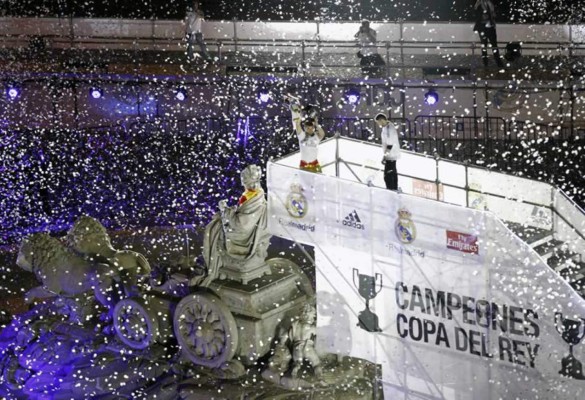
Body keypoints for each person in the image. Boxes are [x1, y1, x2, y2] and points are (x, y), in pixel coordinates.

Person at [290, 99, 325, 173]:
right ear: (305, 128)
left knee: (318, 183)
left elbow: (322, 134)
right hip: (304, 166)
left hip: (315, 165)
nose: (309, 129)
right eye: (307, 127)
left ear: (313, 127)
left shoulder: (316, 136)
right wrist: (297, 114)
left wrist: (316, 124)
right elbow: (297, 125)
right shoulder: (302, 136)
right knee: (305, 184)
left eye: (311, 127)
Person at [473, 0, 504, 68]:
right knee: (484, 46)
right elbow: (478, 14)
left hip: (491, 27)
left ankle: (498, 62)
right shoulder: (479, 4)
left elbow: (493, 13)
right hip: (483, 28)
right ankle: (486, 62)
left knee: (494, 45)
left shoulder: (490, 3)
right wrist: (486, 15)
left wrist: (492, 15)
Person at [375, 113, 401, 190]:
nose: (378, 124)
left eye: (378, 122)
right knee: (392, 173)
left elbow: (390, 144)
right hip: (391, 155)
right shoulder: (387, 127)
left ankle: (391, 190)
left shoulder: (389, 129)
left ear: (381, 120)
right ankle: (393, 189)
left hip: (391, 155)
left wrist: (385, 156)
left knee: (388, 175)